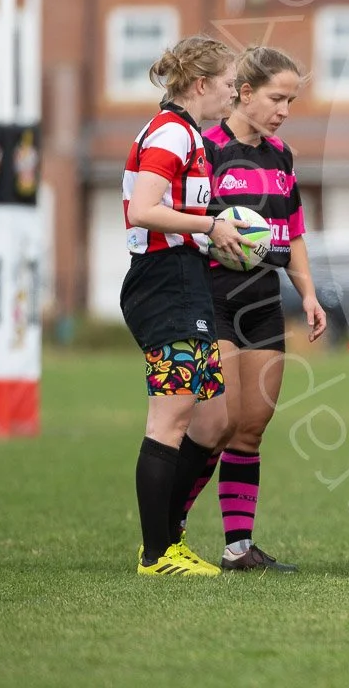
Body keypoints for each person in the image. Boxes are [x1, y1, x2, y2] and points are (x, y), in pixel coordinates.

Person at [176, 46, 327, 573]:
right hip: (212, 302)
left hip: (263, 303)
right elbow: (183, 223)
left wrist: (306, 293)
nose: (284, 110)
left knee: (250, 428)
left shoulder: (281, 155)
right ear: (244, 93)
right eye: (277, 98)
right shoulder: (205, 148)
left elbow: (295, 232)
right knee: (216, 424)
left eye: (291, 100)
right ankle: (167, 530)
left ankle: (238, 548)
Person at [121, 35, 246, 576]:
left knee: (213, 422)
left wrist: (219, 230)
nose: (234, 93)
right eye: (227, 84)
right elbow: (143, 210)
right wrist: (210, 224)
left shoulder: (188, 134)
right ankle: (157, 553)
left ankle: (167, 539)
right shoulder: (172, 132)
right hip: (163, 281)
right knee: (169, 419)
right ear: (200, 85)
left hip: (185, 278)